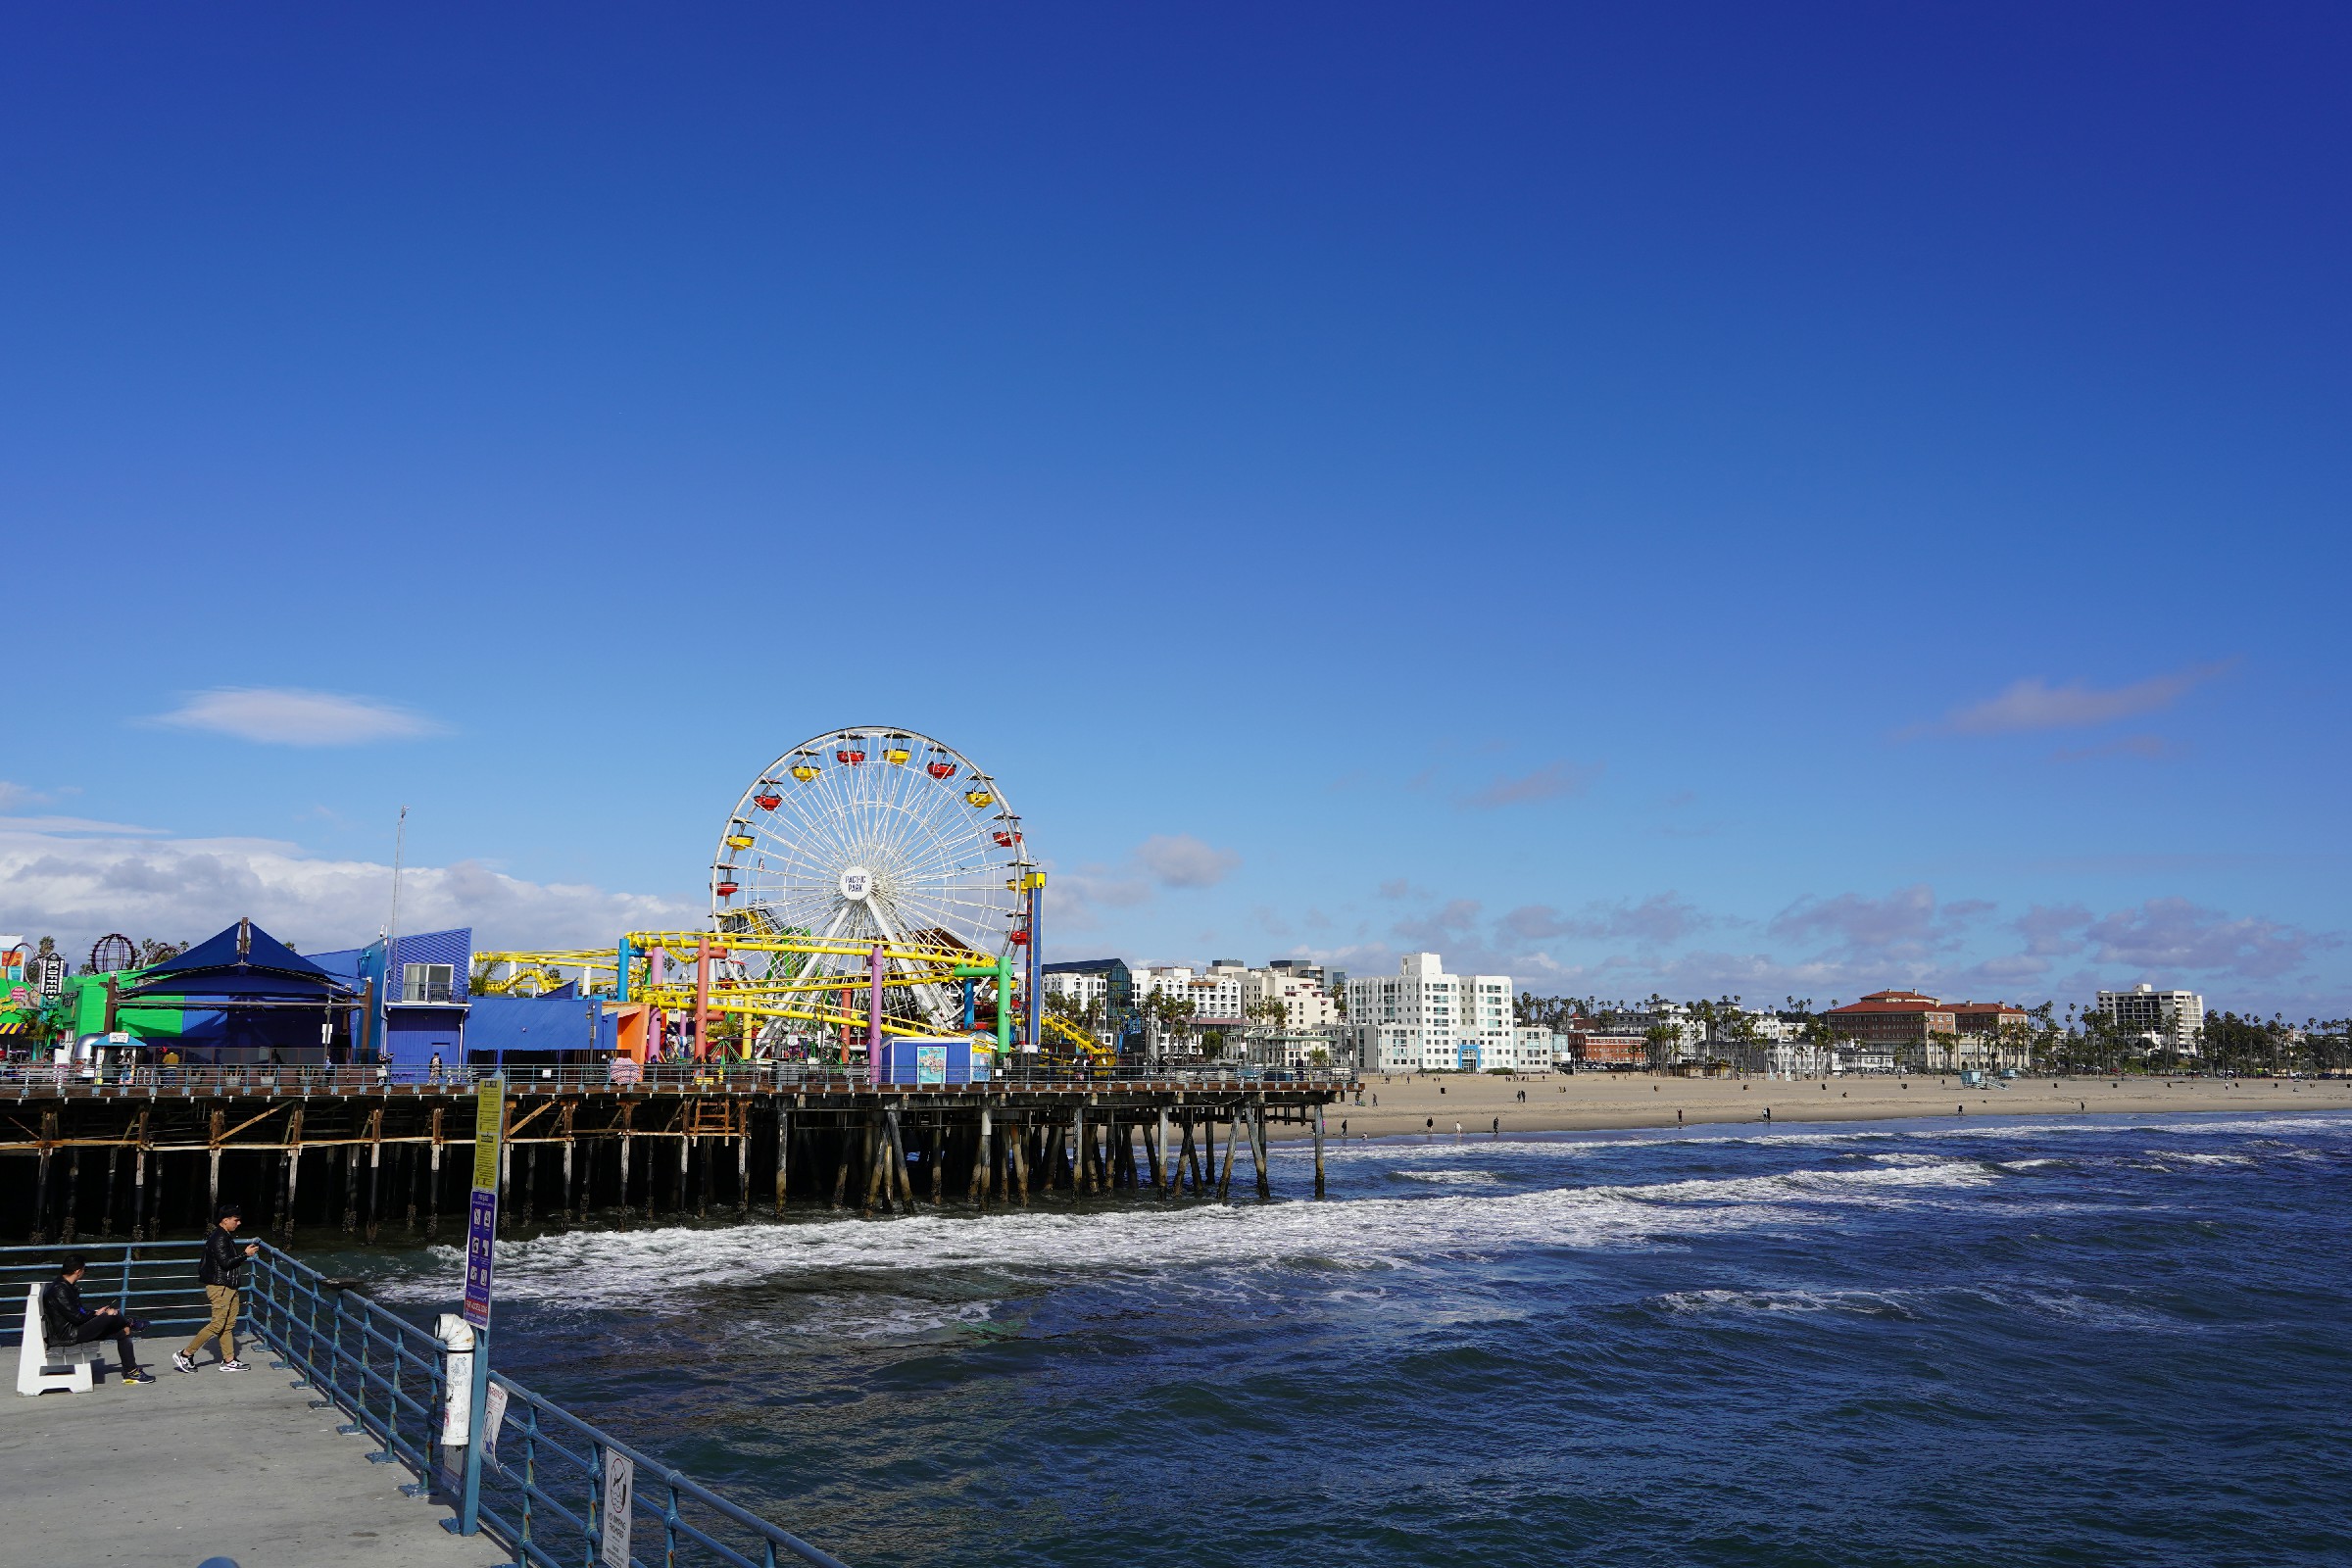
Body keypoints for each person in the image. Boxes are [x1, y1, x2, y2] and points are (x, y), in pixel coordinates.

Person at [41, 1254, 154, 1384]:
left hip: (73, 1329)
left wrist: (96, 1313)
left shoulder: (65, 1286)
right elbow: (77, 1318)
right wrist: (101, 1315)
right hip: (68, 1335)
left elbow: (78, 1313)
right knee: (111, 1315)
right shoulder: (60, 1290)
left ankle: (131, 1371)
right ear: (78, 1271)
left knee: (124, 1330)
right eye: (84, 1269)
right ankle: (131, 1322)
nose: (84, 1272)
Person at [175, 1204, 260, 1373]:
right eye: (236, 1220)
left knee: (228, 1325)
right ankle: (185, 1355)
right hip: (220, 1287)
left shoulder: (225, 1236)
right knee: (217, 1324)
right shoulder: (220, 1238)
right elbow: (226, 1263)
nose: (239, 1223)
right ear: (225, 1220)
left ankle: (229, 1360)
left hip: (228, 1287)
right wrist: (245, 1254)